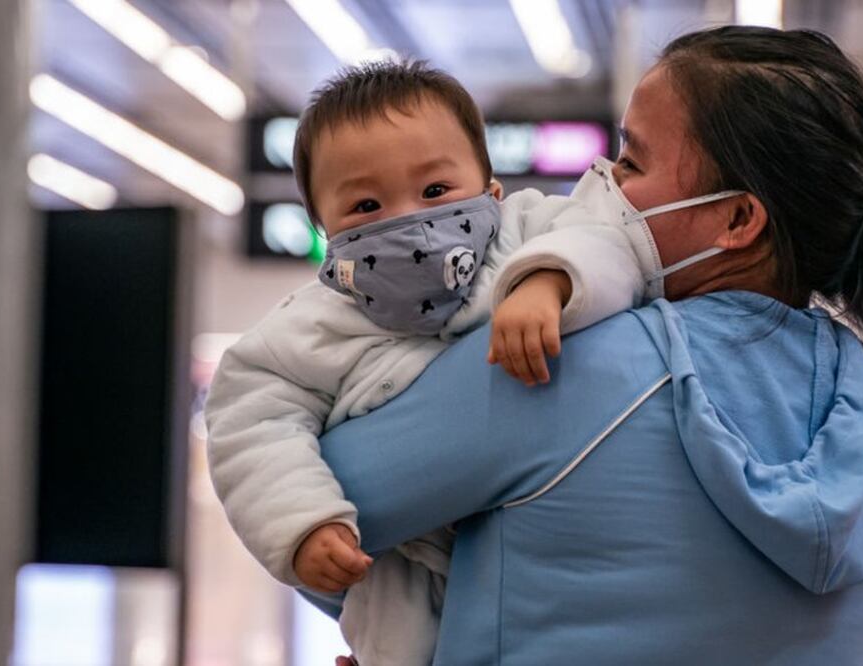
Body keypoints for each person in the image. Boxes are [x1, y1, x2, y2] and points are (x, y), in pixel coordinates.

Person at [314, 26, 863, 665]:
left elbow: (310, 510)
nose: (603, 182)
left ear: (736, 220)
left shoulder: (570, 362)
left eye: (633, 161)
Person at [206, 61, 646, 665]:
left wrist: (548, 280)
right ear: (325, 233)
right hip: (403, 579)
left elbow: (607, 242)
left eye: (436, 192)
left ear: (492, 192)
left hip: (547, 545)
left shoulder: (527, 233)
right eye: (365, 204)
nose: (406, 220)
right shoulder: (309, 326)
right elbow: (249, 421)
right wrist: (303, 523)